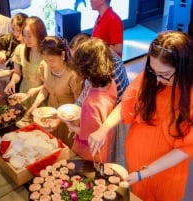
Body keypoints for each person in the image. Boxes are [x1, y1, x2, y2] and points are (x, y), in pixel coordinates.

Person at [89, 31, 193, 201]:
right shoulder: (151, 78)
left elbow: (186, 148)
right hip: (137, 162)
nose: (158, 79)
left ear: (184, 67)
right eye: (154, 71)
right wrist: (104, 128)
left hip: (166, 172)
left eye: (165, 74)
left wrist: (145, 172)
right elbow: (126, 104)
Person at [25, 35, 83, 147]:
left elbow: (78, 106)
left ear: (62, 55)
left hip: (69, 121)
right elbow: (46, 88)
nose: (49, 64)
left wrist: (62, 119)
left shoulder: (73, 74)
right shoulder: (44, 66)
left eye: (51, 60)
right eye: (45, 60)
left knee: (66, 149)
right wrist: (34, 106)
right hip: (50, 115)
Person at [65, 38, 117, 161]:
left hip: (89, 153)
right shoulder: (111, 83)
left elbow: (88, 135)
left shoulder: (91, 103)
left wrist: (71, 126)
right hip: (104, 144)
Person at [69, 33, 129, 106]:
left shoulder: (106, 74)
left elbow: (89, 92)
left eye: (77, 59)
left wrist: (77, 107)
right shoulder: (104, 54)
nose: (75, 63)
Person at [4, 16, 47, 108]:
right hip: (24, 93)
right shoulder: (20, 49)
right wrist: (12, 81)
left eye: (30, 36)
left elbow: (51, 83)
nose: (27, 40)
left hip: (42, 95)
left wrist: (36, 90)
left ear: (39, 34)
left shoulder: (48, 54)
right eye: (25, 35)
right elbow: (17, 73)